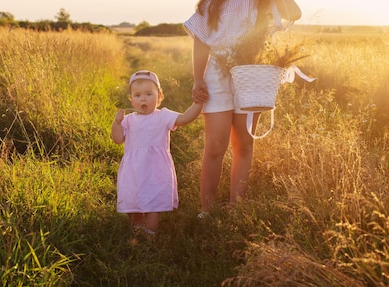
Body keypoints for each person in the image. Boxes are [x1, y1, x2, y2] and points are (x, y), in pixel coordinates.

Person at [184, 0, 302, 216]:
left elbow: (295, 13)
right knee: (215, 145)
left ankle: (237, 208)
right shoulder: (212, 3)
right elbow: (201, 40)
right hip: (217, 75)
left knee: (244, 143)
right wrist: (197, 79)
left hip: (251, 72)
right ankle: (206, 210)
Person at [111, 70, 206, 237]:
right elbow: (117, 139)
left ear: (159, 96)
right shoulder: (129, 120)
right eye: (138, 95)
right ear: (131, 99)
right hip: (134, 171)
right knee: (134, 202)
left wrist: (198, 104)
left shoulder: (163, 116)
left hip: (156, 169)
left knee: (154, 202)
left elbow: (184, 118)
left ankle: (150, 233)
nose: (143, 99)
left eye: (149, 94)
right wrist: (116, 124)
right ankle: (136, 231)